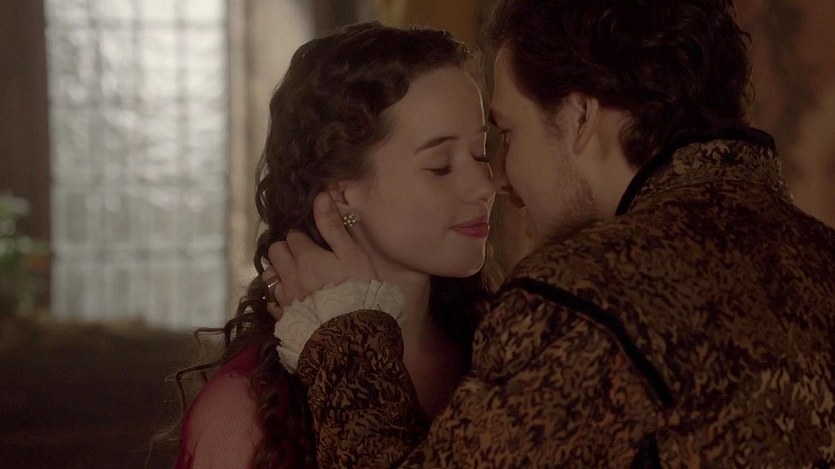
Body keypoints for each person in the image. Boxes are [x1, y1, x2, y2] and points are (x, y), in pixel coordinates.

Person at [268, 0, 835, 466]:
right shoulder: (821, 258)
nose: (499, 182)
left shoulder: (585, 297)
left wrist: (343, 338)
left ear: (581, 117)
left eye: (507, 134)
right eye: (442, 164)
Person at [168, 22, 496, 468]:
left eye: (481, 153)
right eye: (440, 165)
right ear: (341, 191)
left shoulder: (505, 357)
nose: (484, 186)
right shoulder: (246, 410)